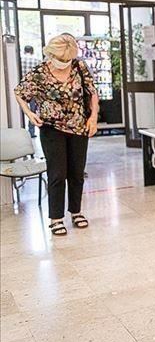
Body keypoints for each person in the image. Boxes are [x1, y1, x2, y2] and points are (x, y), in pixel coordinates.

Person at [14, 34, 98, 236]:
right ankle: (56, 218)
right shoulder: (39, 72)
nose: (64, 62)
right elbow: (19, 92)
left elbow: (92, 92)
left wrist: (93, 117)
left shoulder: (79, 67)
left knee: (77, 173)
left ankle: (76, 212)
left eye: (67, 59)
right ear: (50, 54)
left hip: (78, 127)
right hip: (51, 128)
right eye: (61, 59)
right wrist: (29, 113)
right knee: (57, 173)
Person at [20, 45, 41, 137]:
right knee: (32, 110)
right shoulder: (37, 60)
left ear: (25, 51)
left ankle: (21, 131)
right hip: (34, 88)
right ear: (32, 51)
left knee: (22, 109)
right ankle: (31, 131)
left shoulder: (20, 60)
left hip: (22, 89)